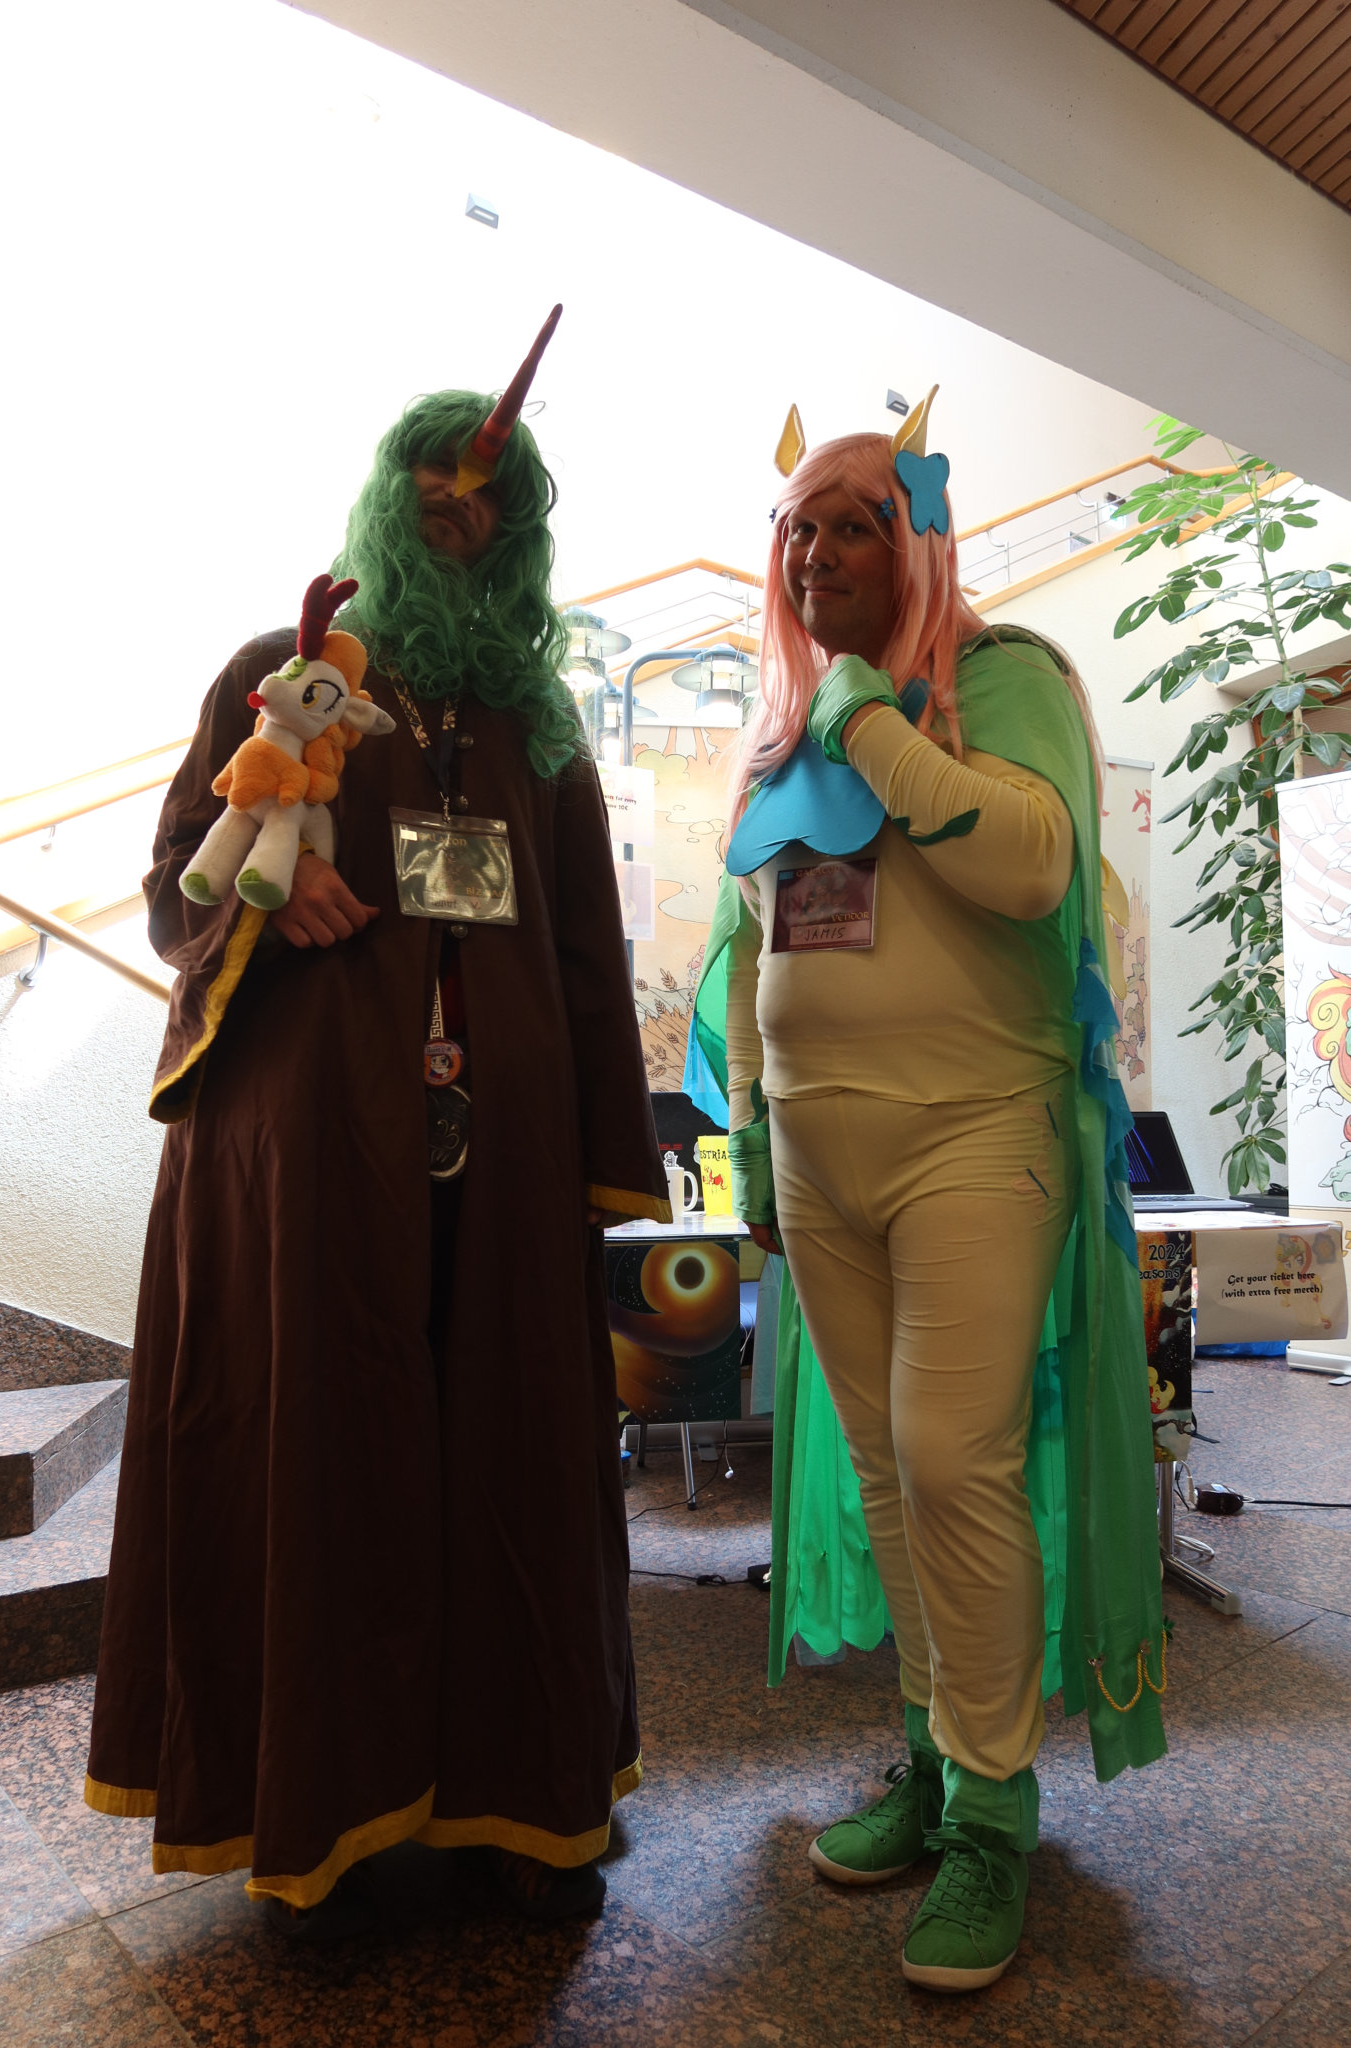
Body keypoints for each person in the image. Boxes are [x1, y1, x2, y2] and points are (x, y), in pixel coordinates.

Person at [85, 318, 669, 1936]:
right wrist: (275, 895)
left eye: (488, 503)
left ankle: (520, 1798)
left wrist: (601, 1159)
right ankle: (320, 1813)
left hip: (509, 1150)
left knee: (509, 1459)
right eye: (432, 494)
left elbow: (584, 948)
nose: (457, 518)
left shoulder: (539, 722)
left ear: (519, 535)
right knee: (321, 1451)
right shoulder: (279, 676)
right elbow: (175, 894)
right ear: (386, 504)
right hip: (314, 1145)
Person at [690, 395, 1164, 1993]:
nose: (815, 550)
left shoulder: (997, 676)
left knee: (954, 1459)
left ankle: (995, 1818)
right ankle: (936, 1759)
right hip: (820, 1160)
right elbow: (754, 942)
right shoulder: (780, 732)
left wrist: (869, 722)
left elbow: (1030, 865)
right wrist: (754, 1137)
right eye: (796, 528)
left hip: (977, 1132)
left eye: (855, 523)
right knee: (891, 1478)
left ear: (921, 544)